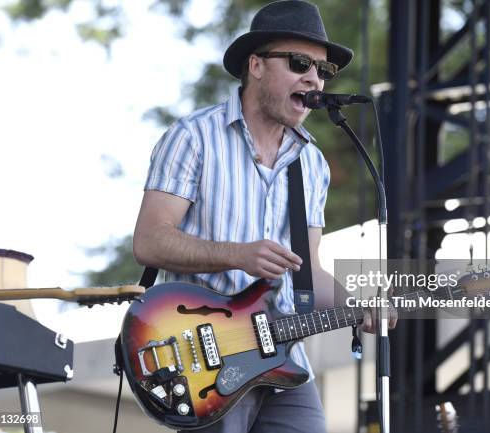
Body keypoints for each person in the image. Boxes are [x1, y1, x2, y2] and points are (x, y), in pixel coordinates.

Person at [133, 1, 395, 431]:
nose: (313, 78)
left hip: (285, 359)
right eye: (299, 63)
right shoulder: (193, 138)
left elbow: (307, 275)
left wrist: (359, 305)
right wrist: (238, 255)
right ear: (255, 65)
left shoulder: (312, 164)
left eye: (323, 71)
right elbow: (149, 241)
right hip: (207, 359)